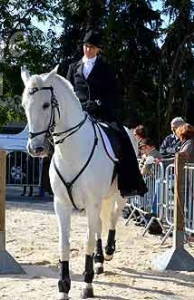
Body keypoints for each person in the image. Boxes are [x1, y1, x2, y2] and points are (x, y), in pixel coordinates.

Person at [66, 30, 147, 197]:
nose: (88, 50)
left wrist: (100, 103)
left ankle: (129, 185)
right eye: (86, 46)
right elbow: (69, 92)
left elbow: (113, 93)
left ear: (98, 49)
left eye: (92, 47)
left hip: (101, 113)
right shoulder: (73, 67)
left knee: (123, 138)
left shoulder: (105, 68)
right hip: (79, 112)